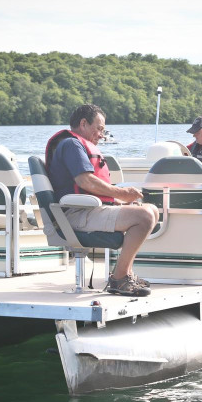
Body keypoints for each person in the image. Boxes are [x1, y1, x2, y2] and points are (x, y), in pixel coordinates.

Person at [45, 104, 158, 296]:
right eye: (99, 129)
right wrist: (121, 193)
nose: (101, 135)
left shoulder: (76, 144)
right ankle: (119, 278)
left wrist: (117, 202)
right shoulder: (71, 144)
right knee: (144, 216)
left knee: (151, 210)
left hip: (87, 209)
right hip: (75, 214)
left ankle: (126, 274)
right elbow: (85, 180)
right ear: (83, 123)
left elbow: (87, 187)